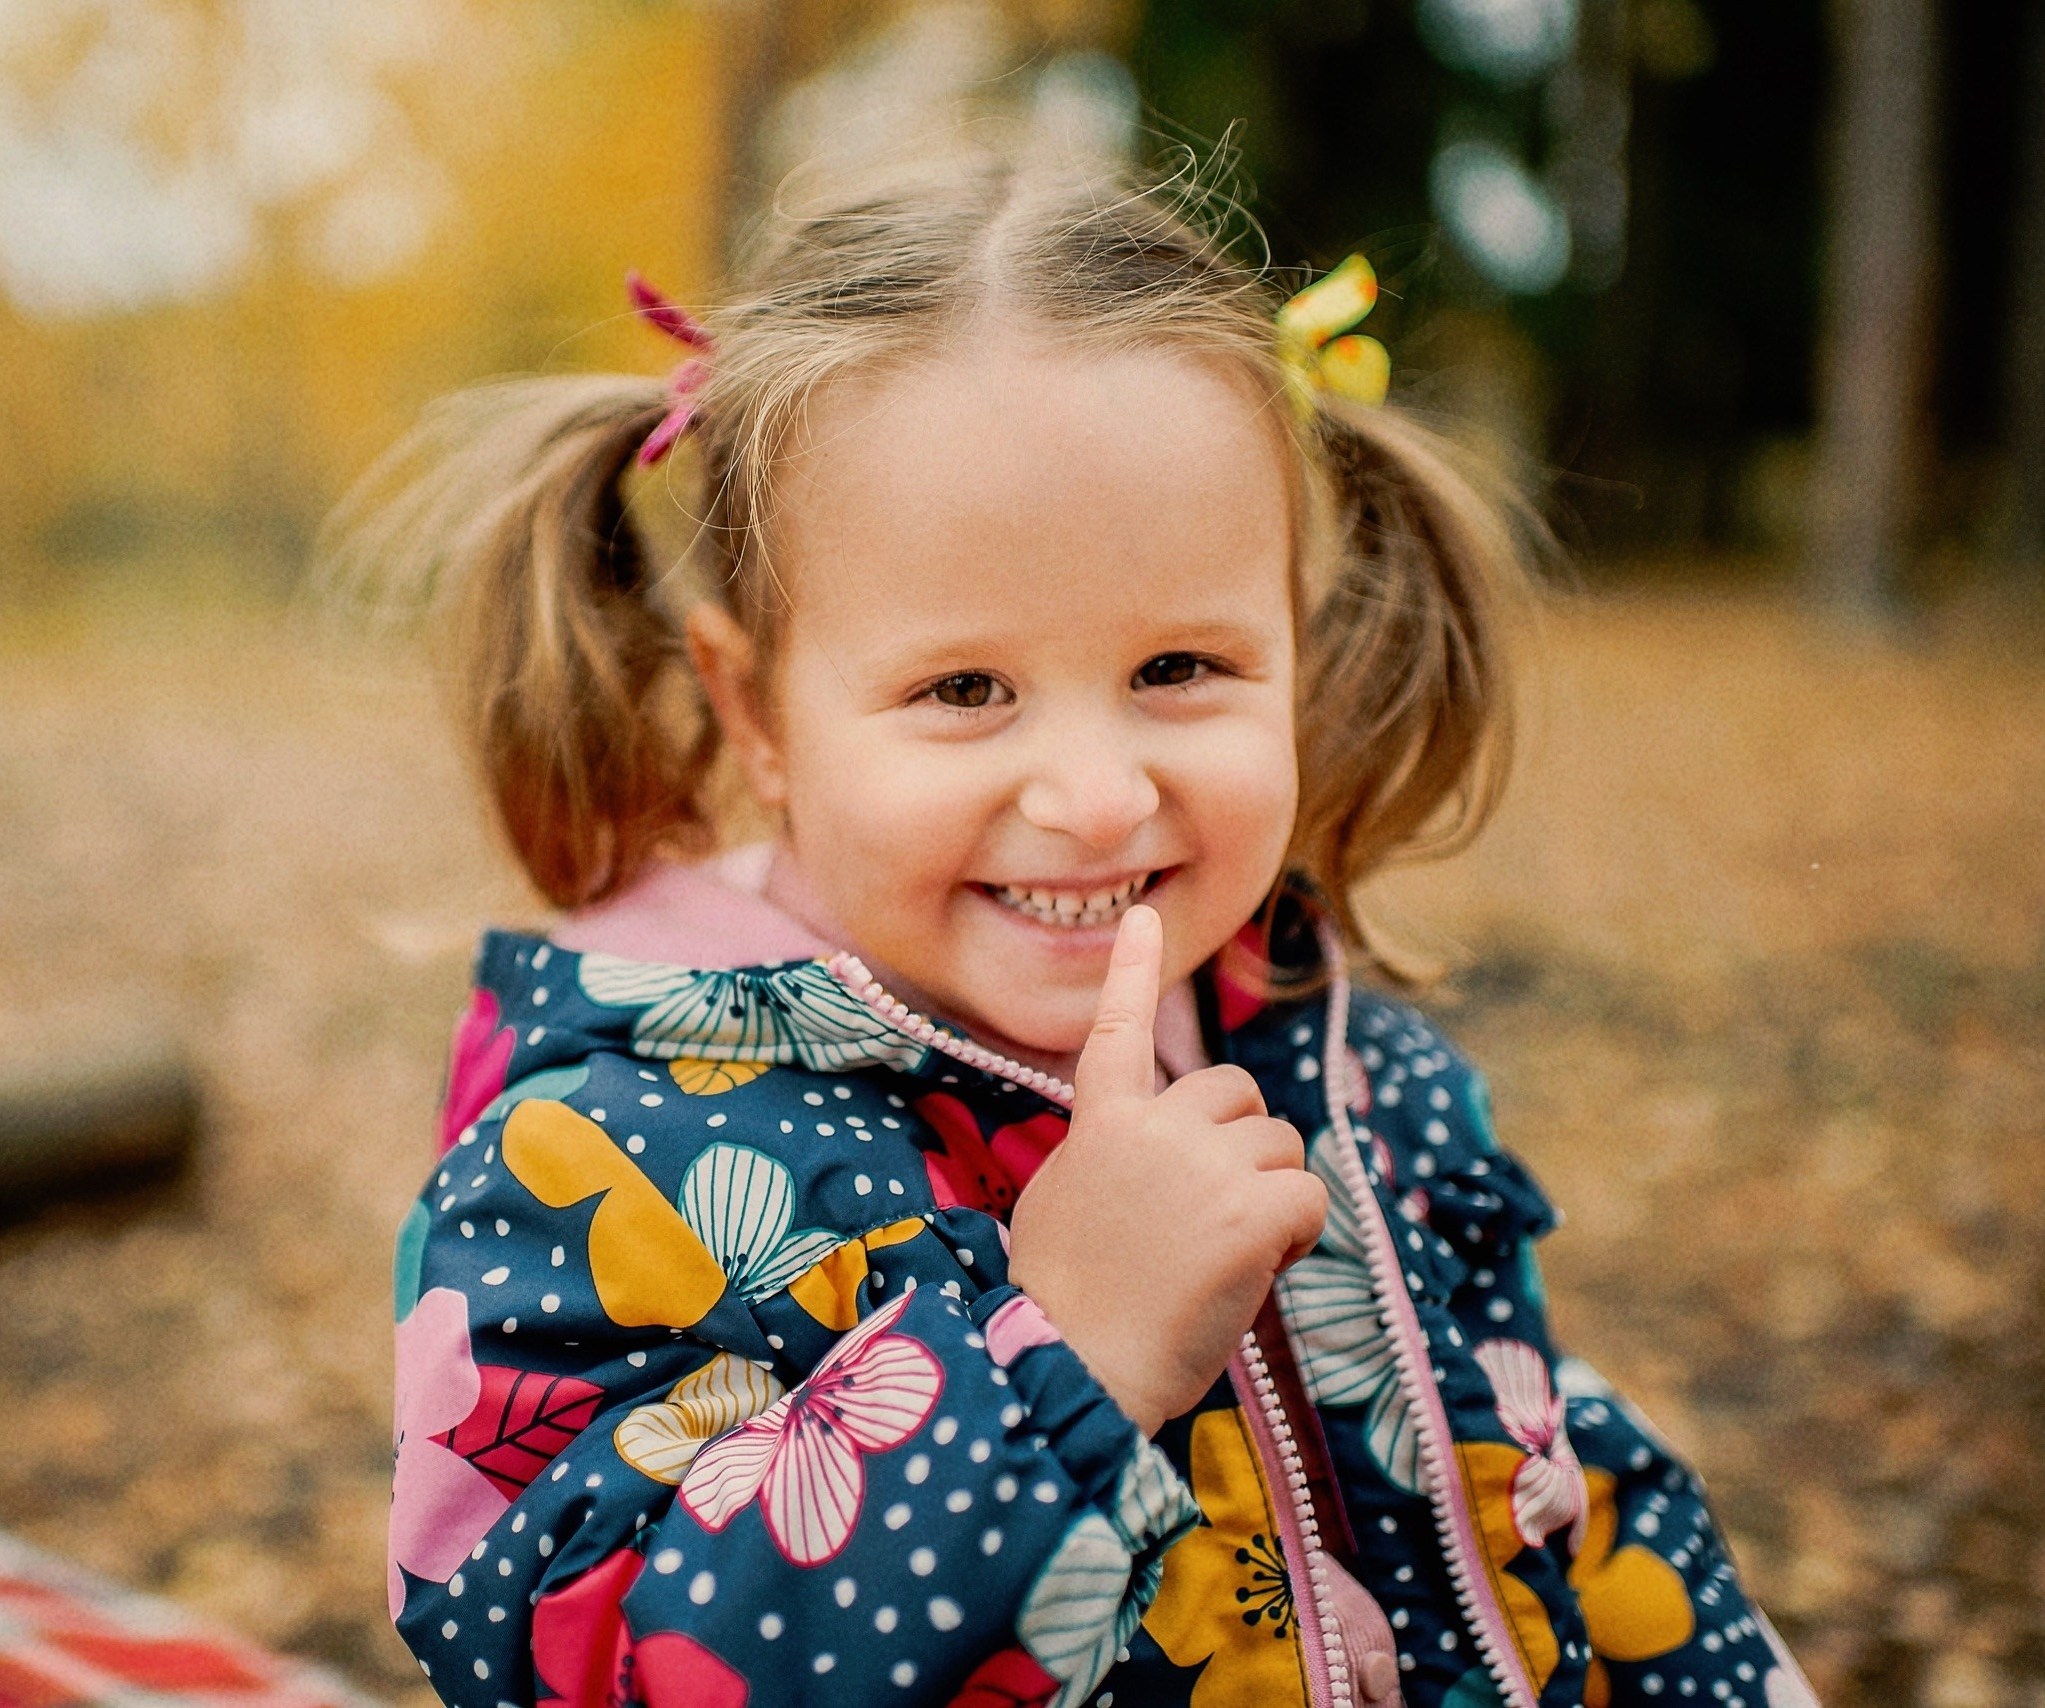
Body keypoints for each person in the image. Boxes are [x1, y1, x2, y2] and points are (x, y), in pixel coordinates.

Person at [366, 152, 1816, 1708]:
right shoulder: (601, 1164)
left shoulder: (1348, 1072)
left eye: (1181, 666)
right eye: (962, 690)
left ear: (1299, 655)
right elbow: (590, 1665)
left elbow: (1549, 1484)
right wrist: (1050, 1355)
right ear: (756, 713)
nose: (1094, 794)